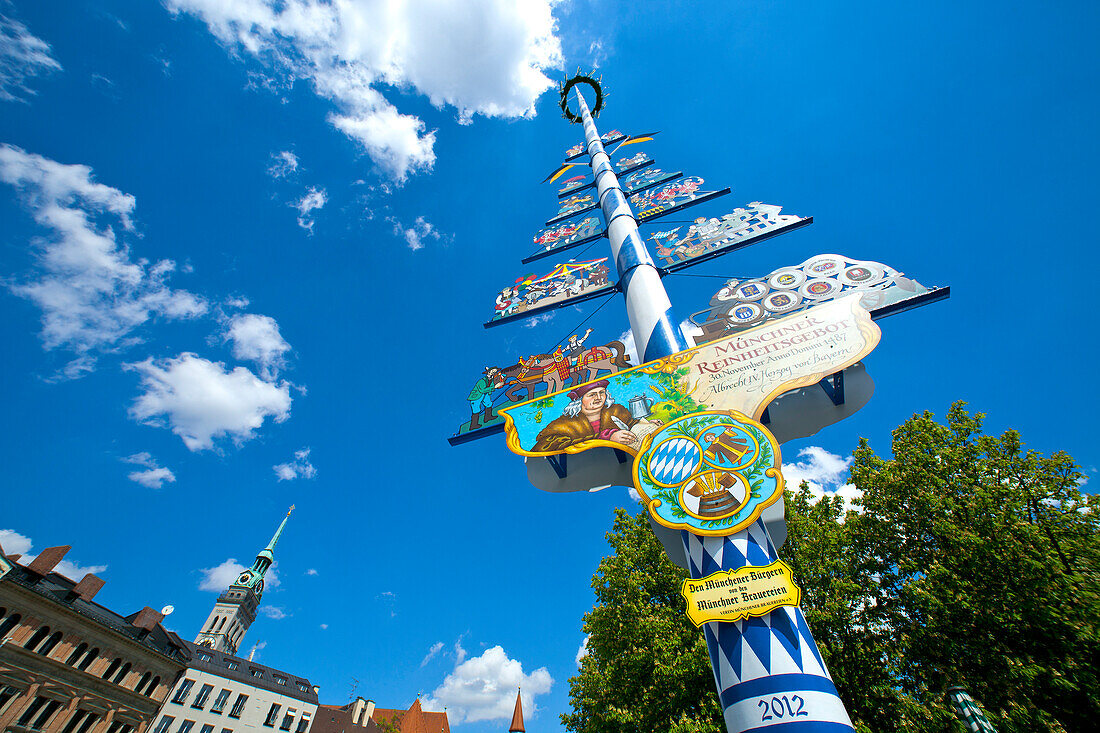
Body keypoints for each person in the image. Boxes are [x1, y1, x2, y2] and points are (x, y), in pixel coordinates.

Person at [532, 380, 638, 452]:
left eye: (602, 392)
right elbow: (545, 446)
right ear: (579, 400)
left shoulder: (616, 410)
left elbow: (630, 424)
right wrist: (605, 438)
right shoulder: (563, 424)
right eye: (592, 395)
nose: (598, 397)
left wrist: (643, 425)